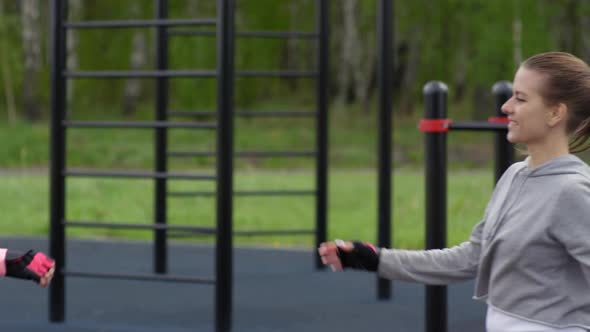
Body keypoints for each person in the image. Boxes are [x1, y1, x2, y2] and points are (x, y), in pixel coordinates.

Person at [318, 51, 590, 332]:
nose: (507, 106)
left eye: (520, 98)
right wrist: (376, 259)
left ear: (556, 112)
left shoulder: (572, 191)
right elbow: (470, 258)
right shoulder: (514, 175)